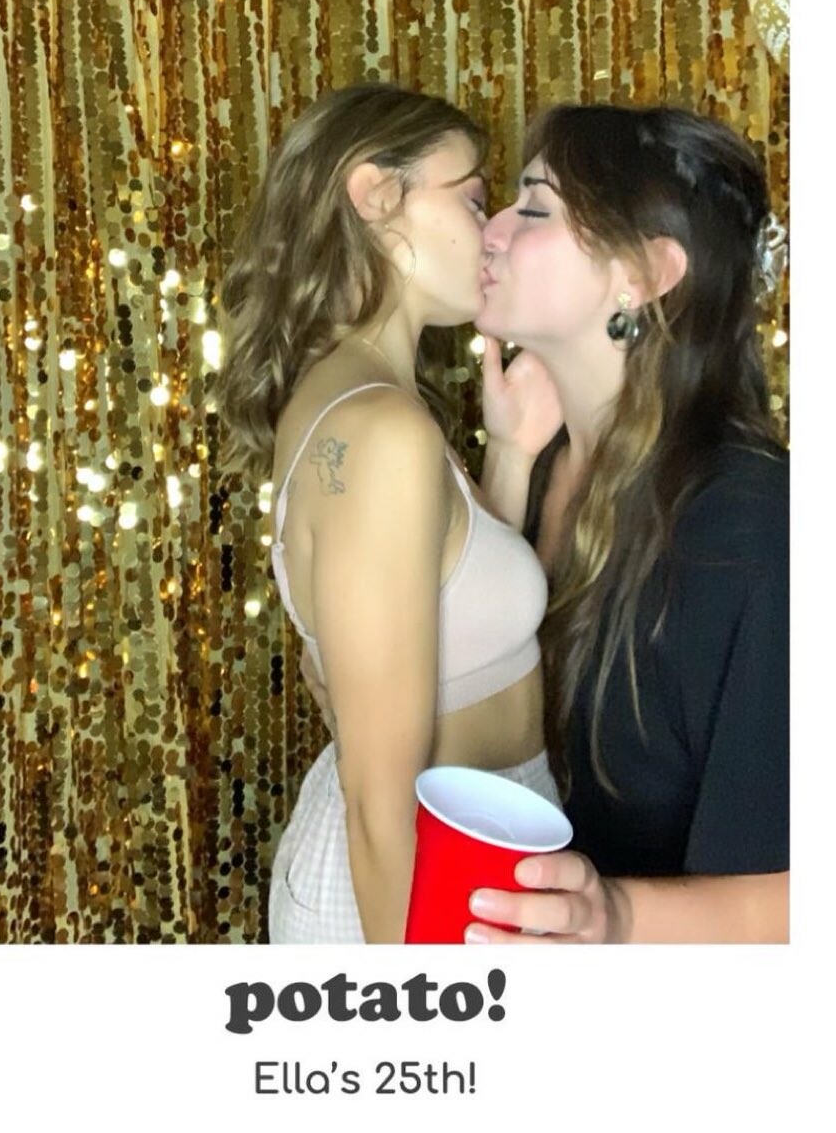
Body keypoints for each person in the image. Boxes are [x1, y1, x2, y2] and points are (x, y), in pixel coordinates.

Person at [215, 83, 557, 945]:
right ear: (374, 194)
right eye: (472, 197)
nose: (494, 229)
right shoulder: (380, 430)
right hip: (414, 884)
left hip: (458, 858)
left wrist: (509, 456)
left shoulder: (368, 402)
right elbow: (379, 800)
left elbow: (452, 614)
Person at [461, 102, 789, 943]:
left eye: (533, 208)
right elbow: (469, 703)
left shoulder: (749, 531)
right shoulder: (537, 458)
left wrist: (615, 916)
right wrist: (507, 464)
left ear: (642, 273)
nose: (488, 229)